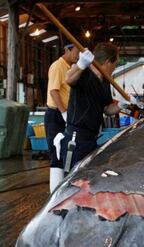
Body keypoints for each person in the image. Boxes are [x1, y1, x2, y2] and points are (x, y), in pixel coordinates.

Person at [59, 42, 133, 172]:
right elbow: (69, 79)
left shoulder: (105, 82)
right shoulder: (83, 71)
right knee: (72, 181)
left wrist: (121, 105)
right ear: (108, 62)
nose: (114, 68)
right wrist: (81, 64)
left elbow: (106, 109)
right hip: (76, 139)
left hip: (91, 139)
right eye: (115, 65)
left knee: (88, 178)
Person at [44, 42, 79, 192]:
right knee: (56, 152)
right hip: (56, 115)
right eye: (77, 52)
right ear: (67, 49)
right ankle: (54, 194)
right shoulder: (58, 66)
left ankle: (62, 190)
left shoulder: (70, 68)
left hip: (65, 114)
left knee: (65, 151)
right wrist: (63, 112)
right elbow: (53, 91)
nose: (78, 55)